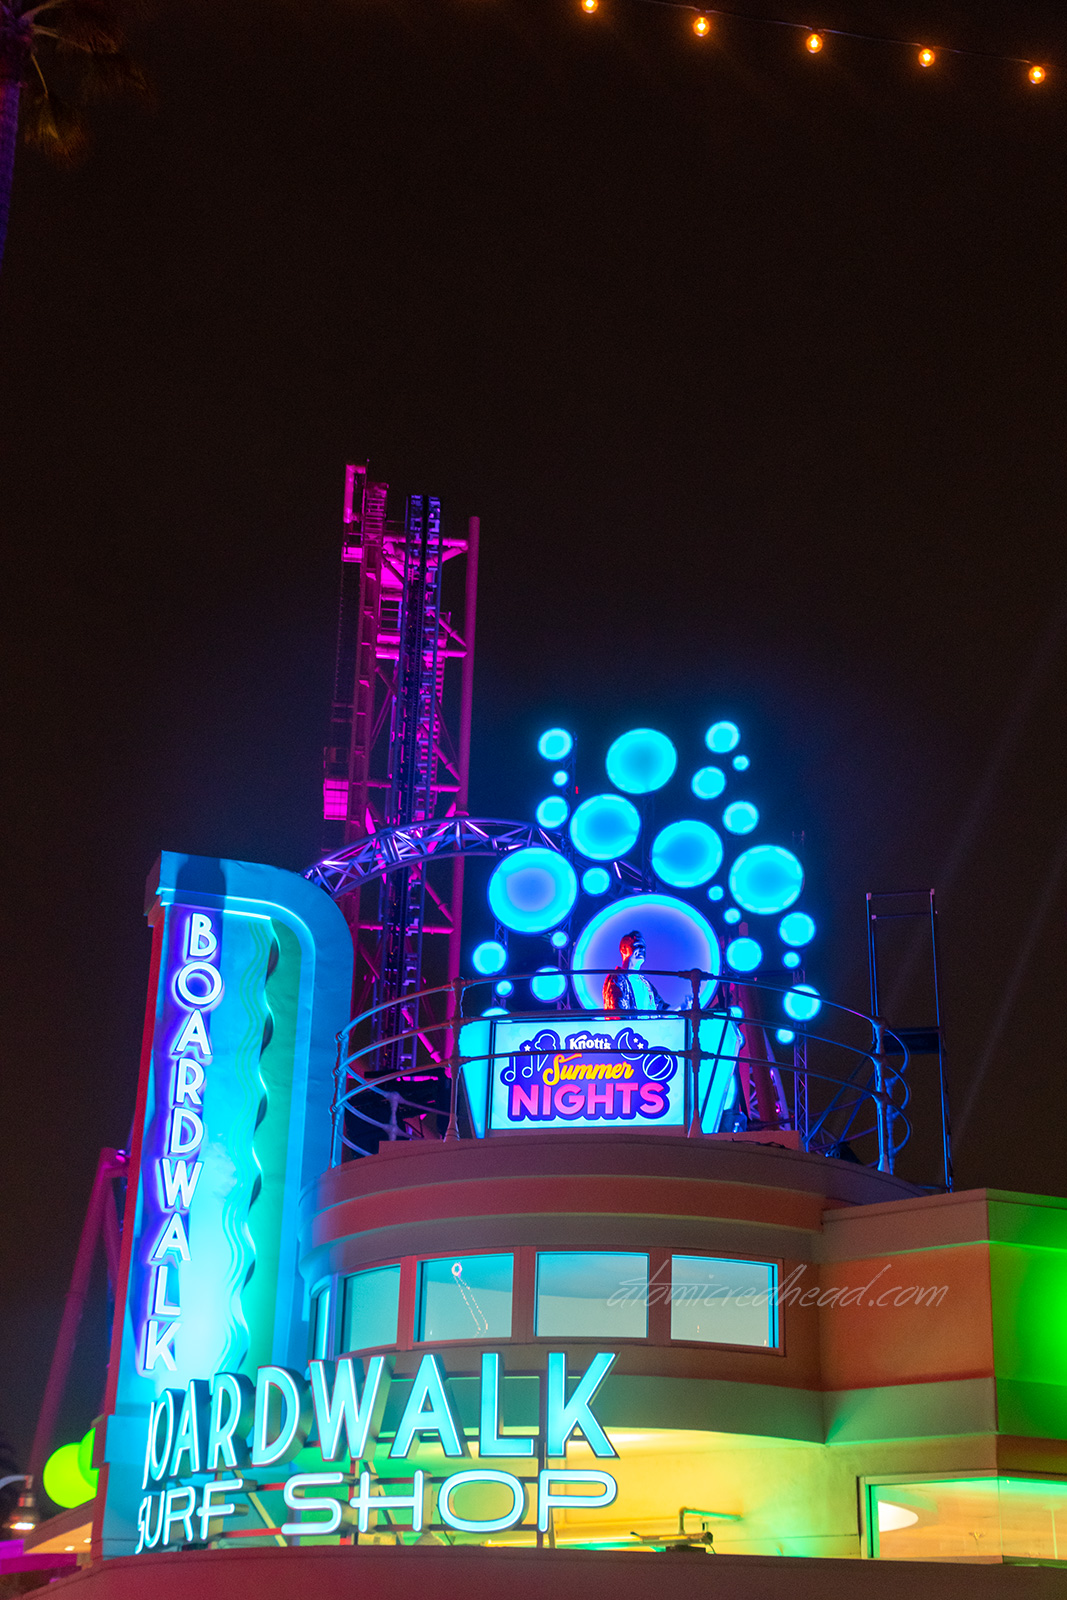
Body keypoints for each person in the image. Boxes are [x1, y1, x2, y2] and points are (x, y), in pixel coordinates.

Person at [603, 929, 668, 1012]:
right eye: (637, 945)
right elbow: (617, 1014)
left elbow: (662, 1009)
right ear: (624, 949)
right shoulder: (616, 979)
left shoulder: (645, 983)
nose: (642, 949)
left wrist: (682, 1007)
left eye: (643, 946)